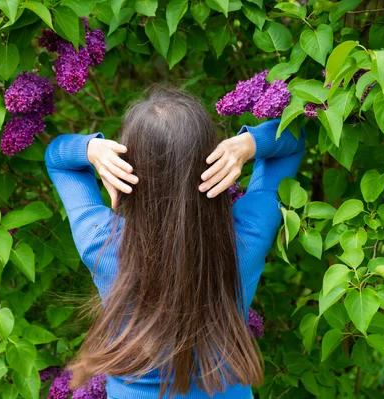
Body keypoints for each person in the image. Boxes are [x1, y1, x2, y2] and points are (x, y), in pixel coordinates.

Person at [44, 86, 305, 399]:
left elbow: (57, 157)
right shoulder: (245, 239)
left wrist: (90, 149)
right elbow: (294, 139)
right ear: (213, 161)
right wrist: (249, 144)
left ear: (127, 171)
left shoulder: (101, 240)